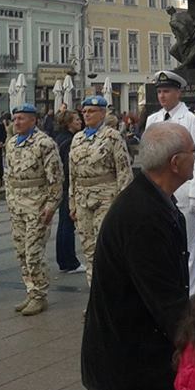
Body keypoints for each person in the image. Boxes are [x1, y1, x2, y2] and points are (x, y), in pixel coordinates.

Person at [81, 124, 193, 390]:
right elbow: (166, 299)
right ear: (175, 163)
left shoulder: (155, 202)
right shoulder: (142, 217)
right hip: (130, 370)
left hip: (136, 363)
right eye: (192, 152)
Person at [144, 72, 195, 293]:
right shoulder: (153, 120)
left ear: (178, 93)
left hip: (183, 192)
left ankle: (191, 295)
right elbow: (148, 159)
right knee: (160, 244)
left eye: (167, 91)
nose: (162, 96)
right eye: (159, 91)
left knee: (187, 247)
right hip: (159, 192)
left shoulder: (191, 118)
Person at [3, 103, 64, 316]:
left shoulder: (44, 143)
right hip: (16, 205)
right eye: (15, 119)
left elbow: (55, 179)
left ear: (33, 120)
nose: (16, 122)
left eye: (21, 118)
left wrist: (51, 205)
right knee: (21, 252)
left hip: (36, 206)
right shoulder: (11, 144)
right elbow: (8, 175)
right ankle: (30, 291)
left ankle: (40, 295)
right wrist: (9, 198)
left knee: (33, 252)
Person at [69, 96, 133, 292]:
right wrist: (72, 202)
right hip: (83, 199)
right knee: (88, 249)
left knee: (105, 249)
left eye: (92, 111)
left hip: (107, 197)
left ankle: (111, 296)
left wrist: (122, 205)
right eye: (85, 112)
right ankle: (95, 297)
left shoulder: (112, 137)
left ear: (103, 113)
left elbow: (124, 171)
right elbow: (73, 173)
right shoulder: (77, 138)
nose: (87, 115)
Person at [54, 109, 84, 274]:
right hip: (68, 186)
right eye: (76, 120)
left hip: (61, 186)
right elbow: (69, 167)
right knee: (67, 224)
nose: (80, 122)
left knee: (63, 224)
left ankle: (63, 260)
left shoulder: (59, 139)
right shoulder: (70, 141)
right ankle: (70, 261)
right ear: (68, 123)